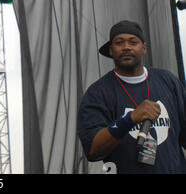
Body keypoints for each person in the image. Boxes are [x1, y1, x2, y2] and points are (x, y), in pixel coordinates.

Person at [77, 20, 186, 173]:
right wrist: (130, 119)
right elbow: (93, 149)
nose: (126, 47)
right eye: (119, 43)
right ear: (110, 50)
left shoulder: (168, 81)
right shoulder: (98, 93)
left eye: (133, 42)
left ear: (144, 48)